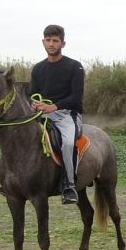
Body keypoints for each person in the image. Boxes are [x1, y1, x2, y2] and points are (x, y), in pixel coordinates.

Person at [29, 24, 84, 204]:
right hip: (42, 115)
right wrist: (34, 104)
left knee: (68, 143)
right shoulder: (37, 69)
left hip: (67, 115)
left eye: (55, 41)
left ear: (63, 43)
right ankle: (12, 179)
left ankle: (69, 186)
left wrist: (53, 106)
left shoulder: (75, 67)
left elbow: (76, 98)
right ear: (43, 42)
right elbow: (32, 93)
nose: (51, 44)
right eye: (48, 40)